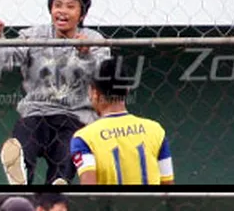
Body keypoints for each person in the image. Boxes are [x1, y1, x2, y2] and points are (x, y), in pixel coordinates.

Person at [0, 0, 110, 185]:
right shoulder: (33, 35)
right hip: (37, 111)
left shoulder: (94, 39)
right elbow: (5, 61)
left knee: (67, 156)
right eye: (57, 5)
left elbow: (102, 77)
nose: (62, 11)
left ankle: (57, 186)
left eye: (70, 6)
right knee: (23, 139)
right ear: (50, 10)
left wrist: (85, 54)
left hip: (75, 116)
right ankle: (20, 179)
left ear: (81, 15)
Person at [71, 56, 173, 185]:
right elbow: (168, 185)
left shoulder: (84, 139)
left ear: (95, 93)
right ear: (127, 90)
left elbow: (89, 187)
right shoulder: (156, 131)